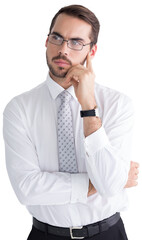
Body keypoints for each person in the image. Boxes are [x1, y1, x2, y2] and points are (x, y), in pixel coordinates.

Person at [3, 4, 139, 240]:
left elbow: (109, 185)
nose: (63, 49)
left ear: (92, 52)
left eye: (76, 42)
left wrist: (88, 107)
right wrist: (105, 182)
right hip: (45, 235)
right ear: (46, 41)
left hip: (108, 233)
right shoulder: (19, 109)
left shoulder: (118, 104)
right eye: (57, 38)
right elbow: (27, 189)